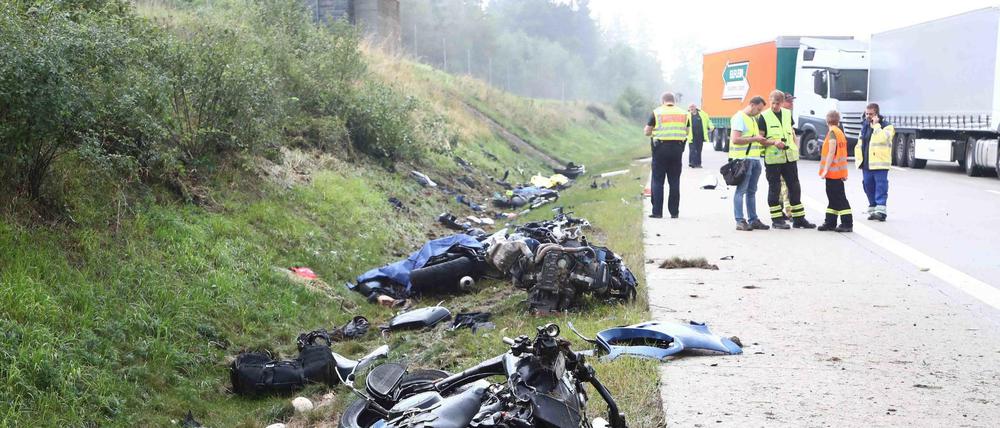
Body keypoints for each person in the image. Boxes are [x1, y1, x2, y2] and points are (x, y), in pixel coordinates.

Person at [756, 90, 816, 229]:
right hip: (773, 159)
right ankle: (777, 219)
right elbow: (760, 139)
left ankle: (799, 219)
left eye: (777, 103)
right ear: (769, 100)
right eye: (772, 103)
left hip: (789, 157)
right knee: (775, 189)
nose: (774, 106)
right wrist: (774, 142)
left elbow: (791, 133)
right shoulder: (763, 117)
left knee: (795, 188)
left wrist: (795, 148)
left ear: (782, 103)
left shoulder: (787, 114)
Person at [644, 92, 689, 218]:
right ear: (674, 101)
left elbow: (647, 132)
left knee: (658, 181)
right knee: (674, 181)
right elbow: (687, 131)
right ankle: (674, 212)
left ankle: (657, 212)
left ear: (662, 101)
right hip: (677, 150)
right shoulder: (684, 113)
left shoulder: (657, 112)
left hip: (660, 149)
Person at [729, 96, 770, 231]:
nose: (759, 112)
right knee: (741, 190)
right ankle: (740, 220)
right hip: (743, 160)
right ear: (752, 105)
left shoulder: (753, 118)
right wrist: (755, 138)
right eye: (758, 109)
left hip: (754, 159)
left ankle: (753, 219)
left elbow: (755, 139)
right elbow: (735, 140)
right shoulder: (739, 117)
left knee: (752, 191)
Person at [856, 103, 894, 221]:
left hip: (880, 164)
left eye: (870, 114)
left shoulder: (887, 126)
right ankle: (873, 208)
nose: (868, 116)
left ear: (877, 114)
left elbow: (882, 139)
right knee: (867, 186)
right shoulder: (865, 125)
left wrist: (877, 126)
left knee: (881, 187)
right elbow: (860, 143)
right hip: (866, 163)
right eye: (866, 113)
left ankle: (881, 211)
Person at [818, 110, 852, 232]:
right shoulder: (840, 132)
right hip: (838, 172)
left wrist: (826, 169)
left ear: (827, 120)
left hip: (833, 173)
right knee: (833, 199)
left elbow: (832, 151)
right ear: (838, 120)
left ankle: (847, 223)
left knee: (839, 199)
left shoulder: (832, 133)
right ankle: (830, 222)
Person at [686, 104, 714, 168]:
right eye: (690, 107)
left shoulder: (702, 114)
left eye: (692, 107)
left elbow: (708, 121)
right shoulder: (687, 115)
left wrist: (711, 126)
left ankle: (698, 164)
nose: (691, 108)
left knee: (699, 150)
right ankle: (692, 163)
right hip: (691, 135)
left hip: (700, 136)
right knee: (692, 149)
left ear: (695, 107)